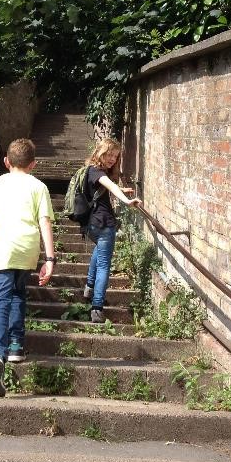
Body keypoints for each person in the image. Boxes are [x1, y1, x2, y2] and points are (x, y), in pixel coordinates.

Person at [0, 138, 55, 398]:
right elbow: (44, 223)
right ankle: (16, 346)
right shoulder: (39, 186)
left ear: (6, 161)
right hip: (26, 249)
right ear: (33, 164)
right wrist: (50, 259)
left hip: (1, 249)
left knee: (0, 301)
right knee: (19, 294)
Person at [82, 138, 142, 323]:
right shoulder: (96, 171)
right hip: (103, 223)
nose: (111, 159)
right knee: (104, 265)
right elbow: (110, 185)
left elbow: (104, 187)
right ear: (100, 153)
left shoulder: (91, 171)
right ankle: (97, 308)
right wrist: (126, 200)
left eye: (115, 156)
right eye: (108, 154)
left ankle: (89, 288)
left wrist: (121, 189)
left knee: (98, 252)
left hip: (92, 224)